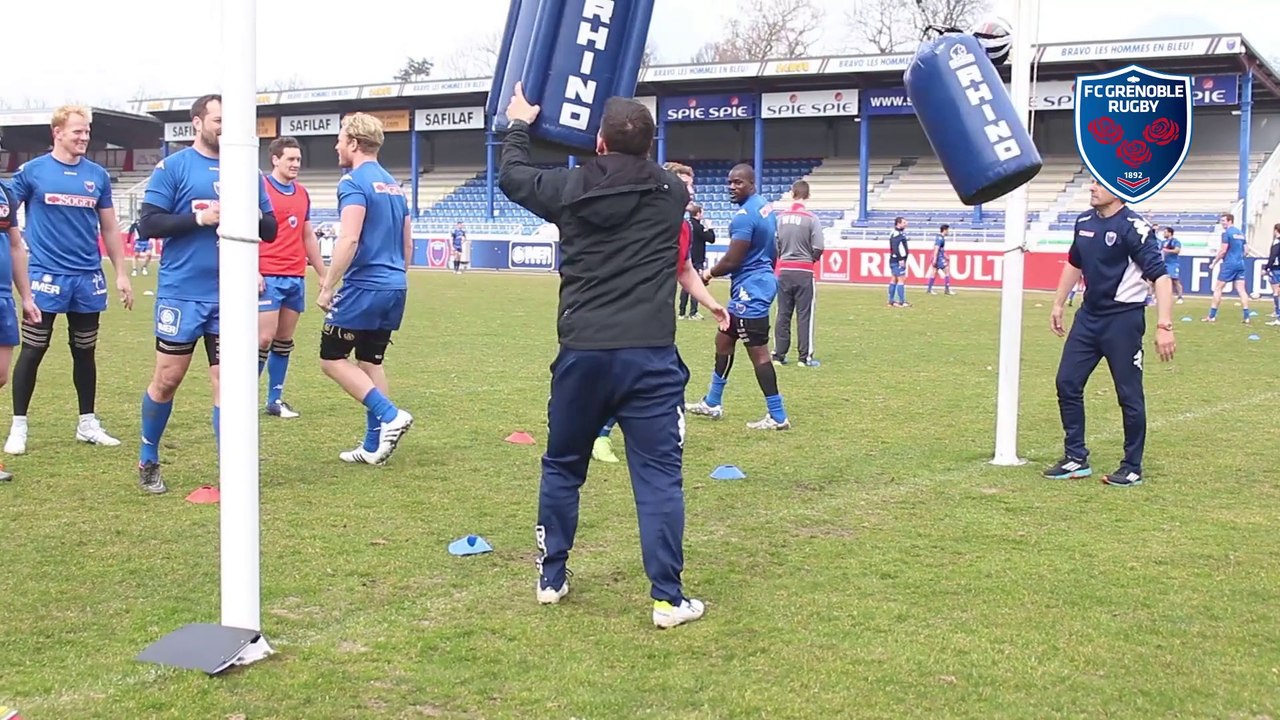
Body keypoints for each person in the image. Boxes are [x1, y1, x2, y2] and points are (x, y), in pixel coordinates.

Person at [497, 82, 706, 629]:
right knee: (659, 477)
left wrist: (521, 124)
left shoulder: (571, 187)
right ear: (650, 145)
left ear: (599, 142)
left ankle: (551, 577)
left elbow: (514, 176)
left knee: (563, 466)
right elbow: (645, 168)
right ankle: (667, 599)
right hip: (650, 356)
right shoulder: (672, 193)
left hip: (582, 352)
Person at [134, 94, 278, 495]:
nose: (224, 127)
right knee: (167, 379)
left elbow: (269, 229)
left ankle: (230, 469)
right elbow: (148, 224)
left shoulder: (247, 171)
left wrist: (243, 212)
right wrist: (201, 217)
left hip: (229, 296)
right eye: (218, 120)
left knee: (227, 381)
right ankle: (148, 456)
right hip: (182, 295)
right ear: (197, 122)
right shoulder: (174, 167)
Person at [4, 105, 135, 456]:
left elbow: (109, 226)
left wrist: (121, 273)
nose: (84, 137)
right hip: (45, 278)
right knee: (33, 350)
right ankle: (19, 426)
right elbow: (5, 205)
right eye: (78, 131)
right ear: (57, 132)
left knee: (85, 352)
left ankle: (87, 423)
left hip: (87, 278)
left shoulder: (98, 176)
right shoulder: (32, 173)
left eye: (87, 131)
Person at [1045, 180, 1176, 488]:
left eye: (1099, 184)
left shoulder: (1135, 227)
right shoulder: (1083, 222)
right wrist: (1058, 303)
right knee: (1067, 382)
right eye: (1091, 181)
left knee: (1128, 395)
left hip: (1123, 321)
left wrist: (1164, 325)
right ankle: (1075, 458)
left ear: (1119, 191)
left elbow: (1161, 278)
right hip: (1088, 318)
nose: (1092, 188)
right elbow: (1073, 264)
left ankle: (1132, 467)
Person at [595, 172, 730, 465]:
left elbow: (684, 269)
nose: (690, 190)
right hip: (623, 314)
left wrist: (711, 304)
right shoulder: (637, 218)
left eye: (691, 184)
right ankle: (601, 435)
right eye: (684, 183)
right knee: (642, 378)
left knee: (662, 377)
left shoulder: (682, 228)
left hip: (655, 319)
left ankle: (610, 433)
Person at [317, 112, 414, 466]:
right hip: (394, 285)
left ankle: (391, 416)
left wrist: (328, 285)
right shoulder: (395, 186)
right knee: (370, 361)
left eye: (341, 138)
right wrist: (395, 279)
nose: (337, 145)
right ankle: (375, 447)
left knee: (331, 359)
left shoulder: (353, 183)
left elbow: (350, 237)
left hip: (365, 285)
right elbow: (407, 246)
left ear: (354, 144)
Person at [686, 164, 792, 431]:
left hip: (751, 291)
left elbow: (733, 260)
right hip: (752, 285)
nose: (732, 187)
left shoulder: (743, 217)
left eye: (738, 183)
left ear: (751, 184)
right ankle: (712, 402)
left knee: (759, 353)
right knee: (724, 338)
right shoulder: (765, 207)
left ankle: (778, 416)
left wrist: (707, 274)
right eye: (730, 182)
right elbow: (773, 249)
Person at [259, 136, 325, 420]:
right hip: (267, 274)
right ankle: (244, 398)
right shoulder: (259, 188)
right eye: (290, 159)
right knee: (263, 339)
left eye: (298, 159)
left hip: (295, 275)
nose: (296, 164)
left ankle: (275, 399)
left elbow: (307, 234)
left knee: (284, 340)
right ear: (275, 159)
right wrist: (253, 270)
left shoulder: (302, 193)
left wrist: (323, 273)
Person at [0, 178, 42, 480]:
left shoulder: (5, 191)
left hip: (3, 296)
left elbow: (15, 245)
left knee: (0, 376)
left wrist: (26, 297)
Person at [772, 179, 825, 367]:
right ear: (808, 195)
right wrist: (808, 260)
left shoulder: (780, 218)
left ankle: (779, 354)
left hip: (784, 270)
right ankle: (804, 357)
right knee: (804, 315)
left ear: (792, 193)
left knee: (782, 313)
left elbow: (775, 245)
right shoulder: (811, 219)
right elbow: (819, 247)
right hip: (803, 271)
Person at [1203, 212, 1252, 323]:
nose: (1222, 223)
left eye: (1223, 221)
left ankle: (1211, 316)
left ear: (1229, 220)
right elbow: (1246, 250)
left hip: (1229, 264)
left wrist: (1214, 262)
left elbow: (1223, 250)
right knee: (1241, 290)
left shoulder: (1226, 233)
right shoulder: (1240, 233)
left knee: (1218, 288)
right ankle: (1247, 316)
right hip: (1240, 264)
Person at [924, 224, 954, 296]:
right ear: (945, 230)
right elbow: (936, 248)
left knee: (934, 272)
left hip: (938, 257)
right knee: (946, 271)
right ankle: (947, 290)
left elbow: (941, 249)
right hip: (938, 258)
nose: (948, 232)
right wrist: (935, 258)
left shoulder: (940, 237)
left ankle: (929, 289)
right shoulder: (940, 238)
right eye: (948, 230)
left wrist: (945, 256)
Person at [888, 216, 910, 307]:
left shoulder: (897, 233)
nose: (906, 224)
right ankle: (901, 301)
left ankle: (891, 301)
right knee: (901, 279)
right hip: (897, 260)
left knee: (894, 279)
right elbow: (895, 247)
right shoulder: (897, 234)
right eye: (904, 222)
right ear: (899, 223)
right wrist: (901, 258)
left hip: (894, 259)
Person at [1159, 226, 1184, 304]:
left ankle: (1180, 297)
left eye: (1165, 232)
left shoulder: (1175, 242)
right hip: (1164, 263)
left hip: (1173, 263)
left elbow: (1177, 250)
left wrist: (1167, 250)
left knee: (1175, 280)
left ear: (1170, 233)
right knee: (1163, 280)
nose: (1164, 233)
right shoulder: (1163, 242)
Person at [1264, 223, 1280, 326]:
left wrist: (1266, 267)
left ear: (1275, 231)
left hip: (1276, 269)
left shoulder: (1277, 242)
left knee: (1276, 292)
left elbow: (1273, 255)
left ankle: (1278, 316)